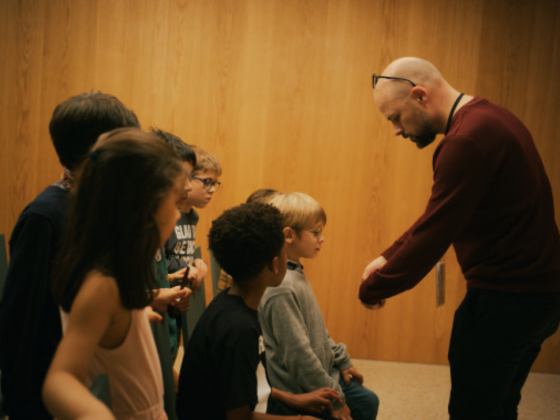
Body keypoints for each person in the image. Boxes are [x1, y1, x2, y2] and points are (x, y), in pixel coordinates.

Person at [360, 57, 560, 420]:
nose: (395, 131)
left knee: (474, 411)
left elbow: (437, 231)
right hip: (540, 298)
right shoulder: (492, 118)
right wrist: (388, 256)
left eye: (394, 117)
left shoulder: (466, 140)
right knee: (499, 406)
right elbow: (443, 212)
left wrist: (376, 287)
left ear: (420, 95)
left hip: (506, 300)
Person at [0, 91, 140, 420]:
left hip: (87, 379)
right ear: (101, 148)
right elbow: (21, 321)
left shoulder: (93, 207)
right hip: (45, 393)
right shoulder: (45, 216)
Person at [42, 128, 188, 420]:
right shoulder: (103, 285)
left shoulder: (115, 277)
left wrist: (134, 313)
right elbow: (60, 380)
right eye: (174, 203)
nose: (177, 215)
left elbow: (101, 326)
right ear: (144, 209)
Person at [177, 202, 342, 420]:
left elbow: (250, 383)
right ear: (275, 264)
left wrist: (293, 399)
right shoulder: (239, 329)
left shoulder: (233, 302)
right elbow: (239, 417)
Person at [260, 193, 379, 420]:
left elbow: (318, 332)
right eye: (316, 232)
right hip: (302, 390)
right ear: (289, 235)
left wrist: (341, 360)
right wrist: (335, 400)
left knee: (368, 400)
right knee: (364, 406)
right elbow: (298, 355)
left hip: (322, 377)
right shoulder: (281, 287)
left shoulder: (295, 274)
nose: (322, 238)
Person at [163, 146, 222, 289]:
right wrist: (186, 265)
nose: (212, 189)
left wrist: (196, 260)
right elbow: (158, 262)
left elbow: (181, 252)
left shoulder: (192, 216)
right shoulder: (166, 216)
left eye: (214, 183)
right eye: (207, 182)